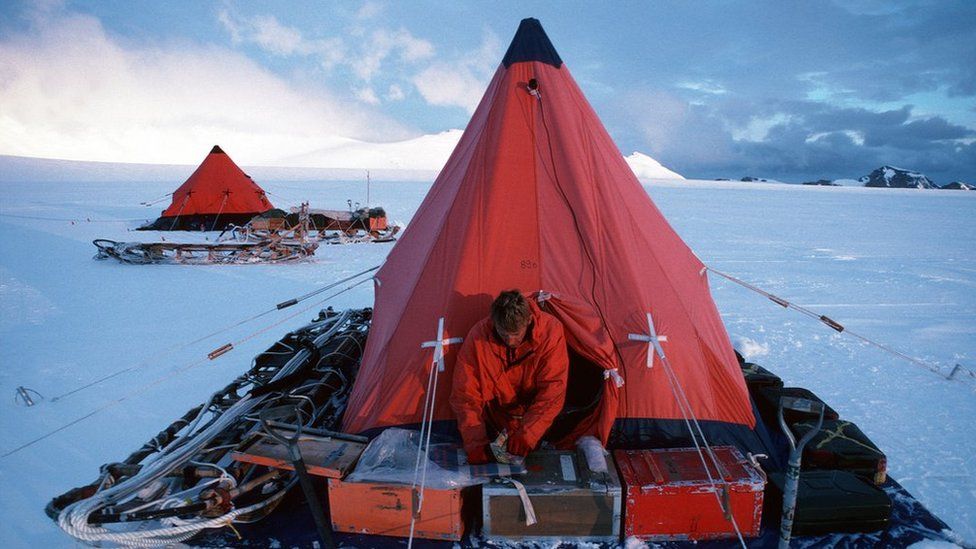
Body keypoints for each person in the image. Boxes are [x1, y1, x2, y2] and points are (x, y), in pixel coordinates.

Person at [450, 290, 569, 464]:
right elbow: (465, 395)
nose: (510, 341)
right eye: (504, 334)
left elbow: (553, 392)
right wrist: (476, 443)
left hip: (540, 420)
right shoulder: (478, 337)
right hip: (494, 419)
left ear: (528, 321)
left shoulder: (550, 332)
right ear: (494, 322)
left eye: (516, 334)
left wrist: (527, 435)